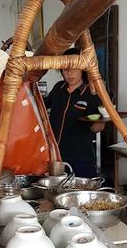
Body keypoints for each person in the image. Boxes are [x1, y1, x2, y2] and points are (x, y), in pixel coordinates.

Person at [44, 48, 105, 178]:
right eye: (65, 69)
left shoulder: (91, 94)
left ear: (82, 69)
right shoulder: (58, 88)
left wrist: (99, 122)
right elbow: (42, 105)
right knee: (57, 193)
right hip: (56, 155)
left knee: (83, 193)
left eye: (74, 69)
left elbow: (98, 127)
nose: (69, 74)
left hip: (81, 157)